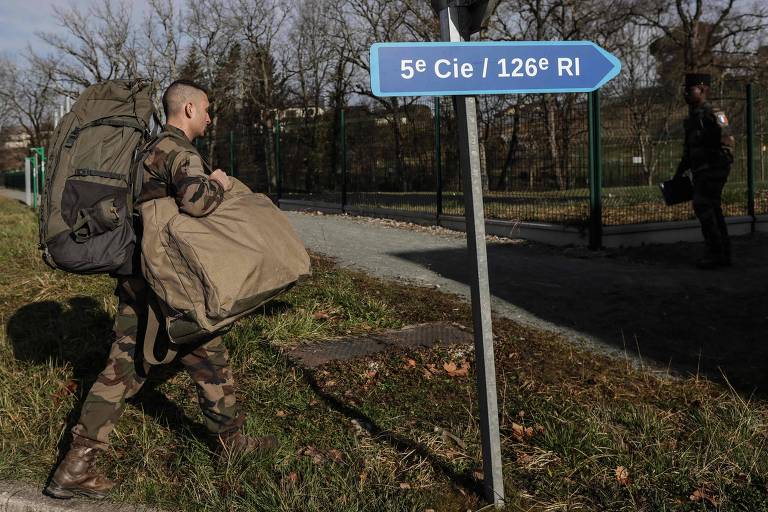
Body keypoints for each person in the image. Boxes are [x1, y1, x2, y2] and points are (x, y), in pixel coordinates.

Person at [45, 80, 277, 500]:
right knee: (132, 366)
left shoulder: (145, 148)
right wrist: (219, 183)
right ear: (188, 109)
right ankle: (78, 465)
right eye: (206, 109)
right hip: (165, 282)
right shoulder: (176, 150)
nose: (209, 117)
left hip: (142, 275)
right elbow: (197, 202)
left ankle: (226, 439)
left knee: (198, 352)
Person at [674, 72, 735, 269]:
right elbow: (689, 148)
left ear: (703, 89)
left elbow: (728, 141)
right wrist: (680, 171)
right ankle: (721, 252)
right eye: (685, 90)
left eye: (690, 90)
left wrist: (719, 165)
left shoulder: (714, 113)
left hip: (713, 170)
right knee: (712, 210)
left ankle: (716, 254)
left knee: (704, 207)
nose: (686, 94)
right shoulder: (693, 117)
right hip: (700, 170)